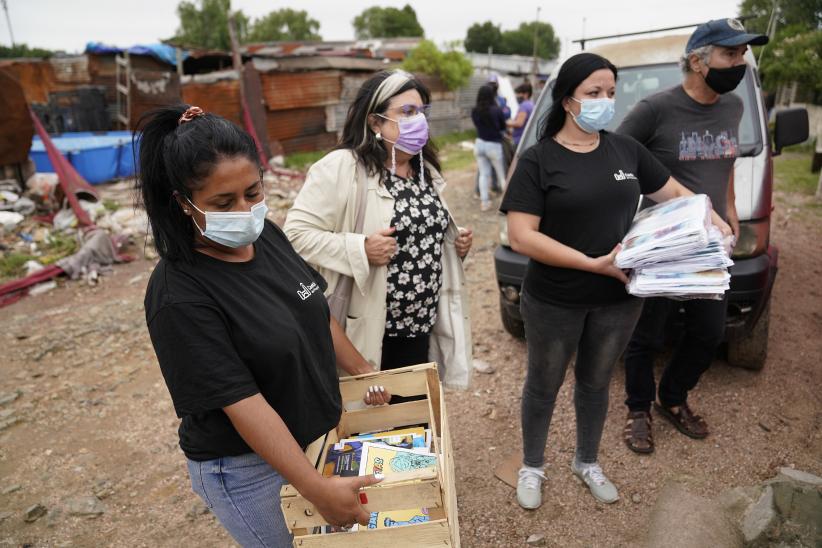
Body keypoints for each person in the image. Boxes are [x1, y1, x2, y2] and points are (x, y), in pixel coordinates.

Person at [138, 105, 391, 546]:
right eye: (223, 203)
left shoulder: (266, 236)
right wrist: (316, 490)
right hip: (248, 468)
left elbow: (313, 308)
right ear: (183, 203)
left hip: (312, 436)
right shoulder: (179, 295)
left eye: (253, 193)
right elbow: (244, 405)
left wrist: (364, 369)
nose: (245, 210)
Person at [500, 53, 731, 509]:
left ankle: (586, 461)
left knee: (596, 381)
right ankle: (532, 465)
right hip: (554, 299)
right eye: (593, 93)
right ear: (568, 100)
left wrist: (712, 218)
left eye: (610, 93)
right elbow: (521, 236)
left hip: (618, 297)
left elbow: (676, 194)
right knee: (543, 384)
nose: (605, 102)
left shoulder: (626, 150)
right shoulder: (538, 160)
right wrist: (591, 263)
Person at [619, 19, 768, 454]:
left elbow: (726, 164)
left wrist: (732, 211)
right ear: (699, 61)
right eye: (730, 54)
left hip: (711, 242)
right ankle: (638, 410)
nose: (739, 62)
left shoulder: (733, 107)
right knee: (647, 334)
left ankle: (672, 397)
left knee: (708, 332)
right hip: (665, 245)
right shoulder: (654, 109)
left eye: (742, 54)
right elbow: (616, 158)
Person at [284, 70, 473, 390]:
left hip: (422, 328)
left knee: (416, 427)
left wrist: (452, 245)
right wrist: (360, 249)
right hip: (371, 331)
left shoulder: (423, 170)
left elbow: (418, 238)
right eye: (408, 112)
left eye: (423, 112)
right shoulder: (342, 167)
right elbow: (295, 235)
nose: (419, 121)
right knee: (373, 429)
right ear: (375, 122)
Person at [472, 84, 508, 212]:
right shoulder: (496, 110)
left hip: (479, 143)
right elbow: (503, 127)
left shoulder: (474, 110)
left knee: (483, 174)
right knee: (501, 175)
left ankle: (484, 203)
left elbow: (476, 125)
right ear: (492, 95)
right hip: (494, 145)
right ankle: (506, 204)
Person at [507, 82, 535, 147]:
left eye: (519, 93)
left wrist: (505, 123)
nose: (517, 96)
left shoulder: (524, 105)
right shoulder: (531, 104)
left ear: (526, 94)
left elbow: (519, 123)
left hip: (519, 141)